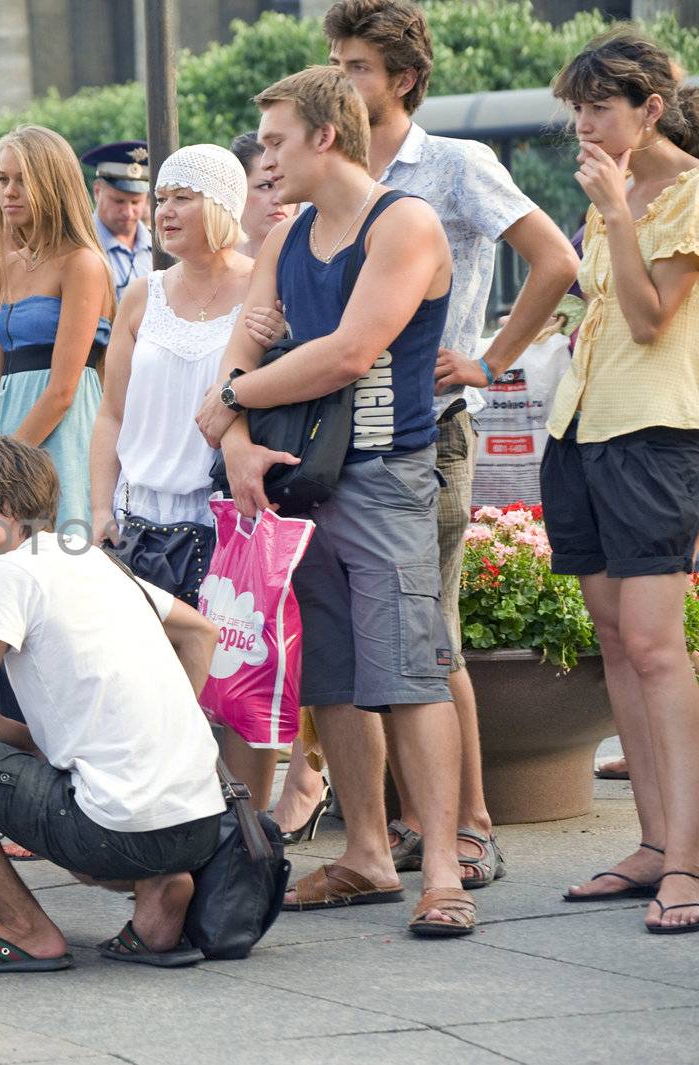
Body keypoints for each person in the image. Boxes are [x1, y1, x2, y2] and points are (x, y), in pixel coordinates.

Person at [195, 66, 471, 936]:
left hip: (387, 472)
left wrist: (234, 406)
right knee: (336, 678)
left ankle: (444, 869)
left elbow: (351, 351)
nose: (263, 162)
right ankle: (366, 855)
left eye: (274, 142)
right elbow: (234, 363)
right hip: (296, 476)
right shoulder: (285, 238)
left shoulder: (406, 223)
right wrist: (235, 440)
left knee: (411, 672)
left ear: (325, 136)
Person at [324, 0, 580, 892]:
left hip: (427, 432)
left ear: (402, 78)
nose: (344, 78)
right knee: (371, 641)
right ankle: (401, 827)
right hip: (340, 439)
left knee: (431, 636)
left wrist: (488, 361)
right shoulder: (340, 165)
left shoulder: (456, 164)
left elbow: (555, 260)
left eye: (358, 65)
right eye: (337, 62)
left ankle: (469, 828)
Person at [0, 434, 225, 971]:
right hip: (200, 824)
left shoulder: (11, 571)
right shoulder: (91, 558)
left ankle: (25, 929)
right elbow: (201, 632)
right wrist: (170, 724)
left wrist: (33, 744)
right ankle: (158, 896)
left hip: (114, 829)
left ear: (13, 505)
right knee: (82, 784)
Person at [544, 31, 699, 934]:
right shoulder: (616, 189)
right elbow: (593, 309)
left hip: (655, 435)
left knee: (653, 645)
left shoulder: (680, 192)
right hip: (580, 426)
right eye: (577, 109)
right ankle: (650, 840)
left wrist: (617, 213)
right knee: (612, 641)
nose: (585, 125)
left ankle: (687, 854)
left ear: (649, 108)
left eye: (600, 108)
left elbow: (649, 320)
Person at [90, 144, 271, 611]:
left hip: (224, 515)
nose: (163, 211)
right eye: (162, 197)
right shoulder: (141, 295)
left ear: (219, 205)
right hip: (140, 519)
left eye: (181, 198)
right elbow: (111, 414)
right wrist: (99, 509)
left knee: (221, 673)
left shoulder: (264, 287)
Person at [229, 130, 329, 839]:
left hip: (309, 453)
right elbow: (223, 384)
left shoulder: (311, 249)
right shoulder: (248, 269)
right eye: (256, 187)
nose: (270, 197)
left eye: (274, 180)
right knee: (262, 627)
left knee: (309, 624)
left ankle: (309, 771)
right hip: (245, 464)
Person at [0, 125, 113, 529]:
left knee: (60, 560)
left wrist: (3, 469)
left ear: (53, 185)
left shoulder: (82, 263)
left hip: (62, 437)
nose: (8, 192)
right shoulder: (8, 268)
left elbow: (63, 391)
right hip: (8, 436)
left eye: (22, 180)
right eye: (2, 179)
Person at [80, 140, 154, 305]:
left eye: (135, 202)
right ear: (98, 191)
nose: (128, 212)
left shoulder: (160, 247)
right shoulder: (79, 244)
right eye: (119, 201)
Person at [230, 131, 295, 261]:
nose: (280, 198)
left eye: (287, 185)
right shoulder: (204, 263)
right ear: (235, 189)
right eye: (266, 186)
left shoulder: (316, 262)